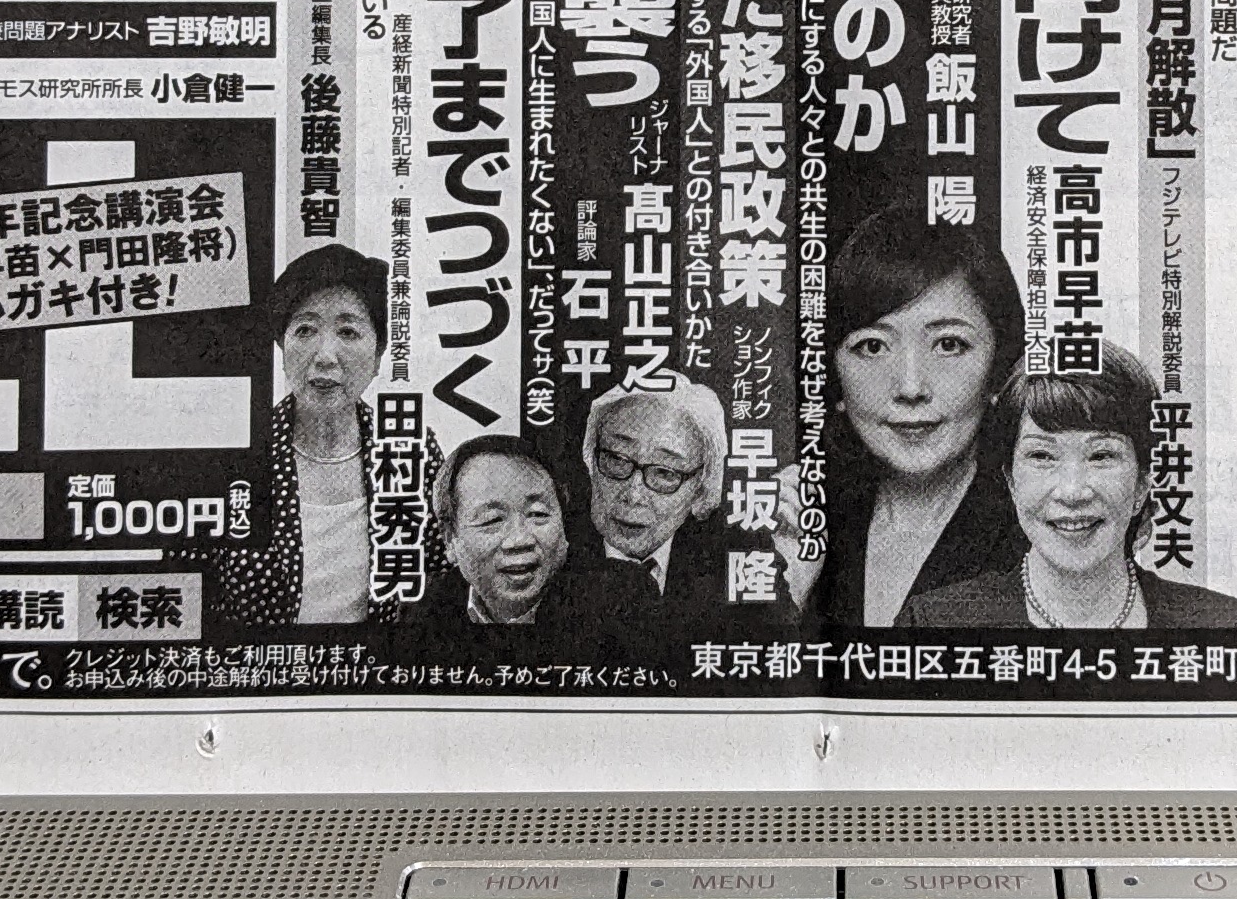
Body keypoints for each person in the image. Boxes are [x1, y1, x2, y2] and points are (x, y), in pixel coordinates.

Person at [908, 347, 1237, 628]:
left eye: (1101, 455)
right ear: (1011, 480)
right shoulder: (934, 624)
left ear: (1142, 483)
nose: (1072, 492)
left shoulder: (1220, 626)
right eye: (1042, 456)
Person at [810, 206, 1026, 628]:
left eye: (948, 345)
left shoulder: (1041, 528)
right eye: (872, 346)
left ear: (998, 369)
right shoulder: (807, 519)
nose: (910, 387)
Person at [213, 244, 434, 627]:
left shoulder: (410, 449)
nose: (325, 356)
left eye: (348, 331)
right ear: (282, 346)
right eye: (305, 330)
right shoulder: (236, 454)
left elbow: (443, 578)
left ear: (378, 354)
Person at [393, 434, 652, 664]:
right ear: (450, 539)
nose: (520, 539)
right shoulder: (424, 612)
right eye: (492, 520)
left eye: (538, 514)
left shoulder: (621, 596)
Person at [581, 378, 788, 638]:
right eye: (617, 460)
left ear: (700, 491)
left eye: (665, 473)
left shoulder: (739, 549)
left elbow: (778, 643)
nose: (633, 495)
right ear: (590, 461)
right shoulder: (552, 545)